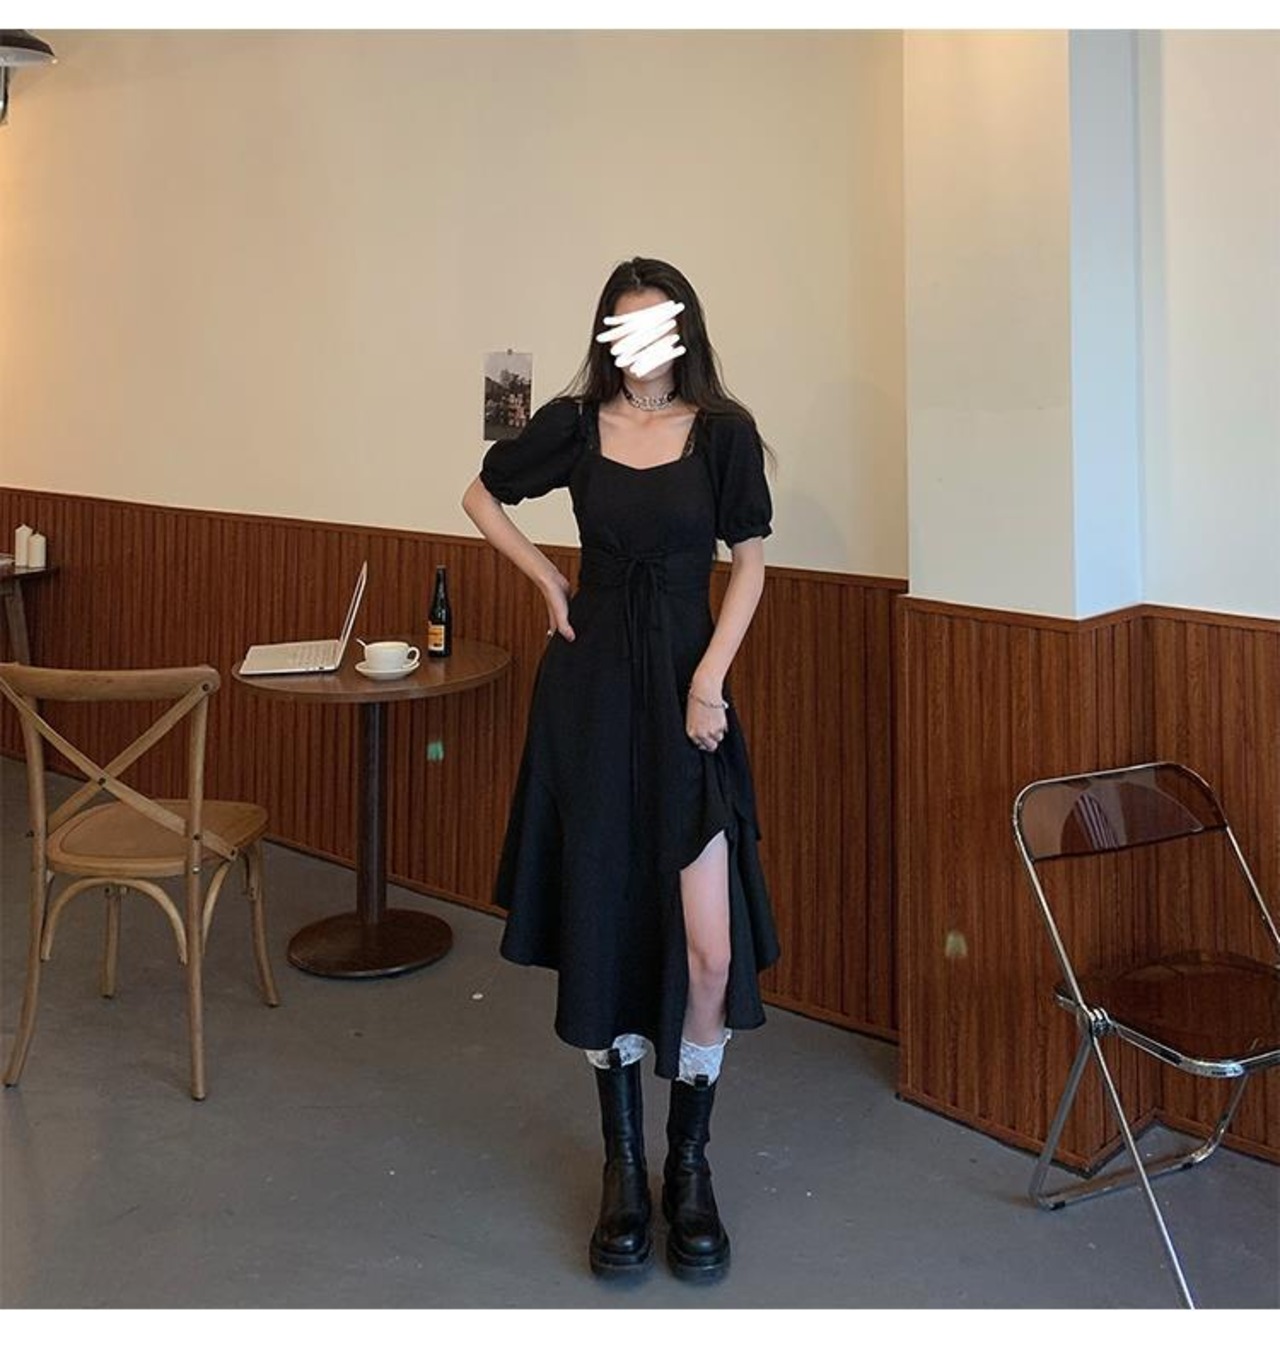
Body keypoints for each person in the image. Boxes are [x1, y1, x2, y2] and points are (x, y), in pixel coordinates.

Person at [460, 257, 779, 1282]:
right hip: (590, 698)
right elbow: (479, 495)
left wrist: (709, 681)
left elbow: (750, 562)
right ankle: (623, 1168)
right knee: (604, 930)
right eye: (624, 325)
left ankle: (689, 1162)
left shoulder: (723, 433)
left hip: (688, 700)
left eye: (658, 324)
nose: (642, 345)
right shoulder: (570, 423)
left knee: (709, 954)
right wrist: (546, 580)